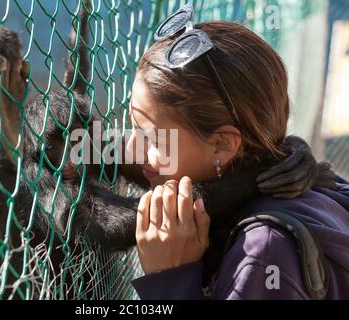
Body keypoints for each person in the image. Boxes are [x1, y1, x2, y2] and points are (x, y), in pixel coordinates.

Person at [127, 4, 349, 299]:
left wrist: (168, 280)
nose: (131, 149)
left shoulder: (262, 254)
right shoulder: (313, 186)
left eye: (153, 139)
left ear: (223, 144)